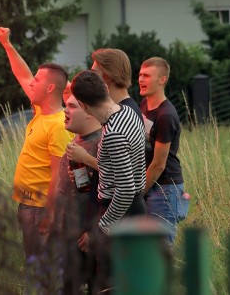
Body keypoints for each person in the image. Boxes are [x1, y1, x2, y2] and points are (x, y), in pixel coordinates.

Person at [0, 27, 74, 260]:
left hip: (41, 209)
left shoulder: (59, 125)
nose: (32, 84)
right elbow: (22, 74)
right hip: (29, 205)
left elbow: (59, 176)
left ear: (51, 88)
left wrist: (50, 215)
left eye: (38, 81)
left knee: (42, 267)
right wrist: (7, 45)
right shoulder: (42, 112)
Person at [70, 70, 146, 293]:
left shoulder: (113, 133)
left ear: (83, 106)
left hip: (122, 214)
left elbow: (124, 190)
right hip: (134, 207)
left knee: (112, 286)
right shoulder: (128, 113)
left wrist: (101, 229)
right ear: (105, 88)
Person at [57, 94, 103, 293]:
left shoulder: (102, 144)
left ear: (89, 113)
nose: (65, 111)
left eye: (72, 106)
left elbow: (116, 192)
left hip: (88, 241)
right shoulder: (77, 141)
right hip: (69, 237)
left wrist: (94, 231)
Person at [139, 57, 187, 244]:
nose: (141, 80)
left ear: (162, 80)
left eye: (147, 75)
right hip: (150, 183)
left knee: (161, 248)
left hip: (164, 187)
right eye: (140, 75)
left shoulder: (165, 115)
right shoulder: (144, 105)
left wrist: (138, 193)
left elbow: (159, 164)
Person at [91, 48, 143, 122]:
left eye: (94, 73)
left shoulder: (123, 115)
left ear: (109, 75)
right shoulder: (123, 110)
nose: (91, 78)